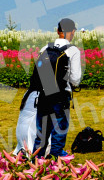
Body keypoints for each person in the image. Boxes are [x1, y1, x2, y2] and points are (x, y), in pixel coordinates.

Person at [30, 18, 82, 158]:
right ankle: (56, 156)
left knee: (42, 128)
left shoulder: (45, 48)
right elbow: (76, 79)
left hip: (43, 95)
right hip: (61, 96)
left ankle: (38, 157)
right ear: (72, 32)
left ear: (58, 31)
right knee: (60, 126)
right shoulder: (73, 50)